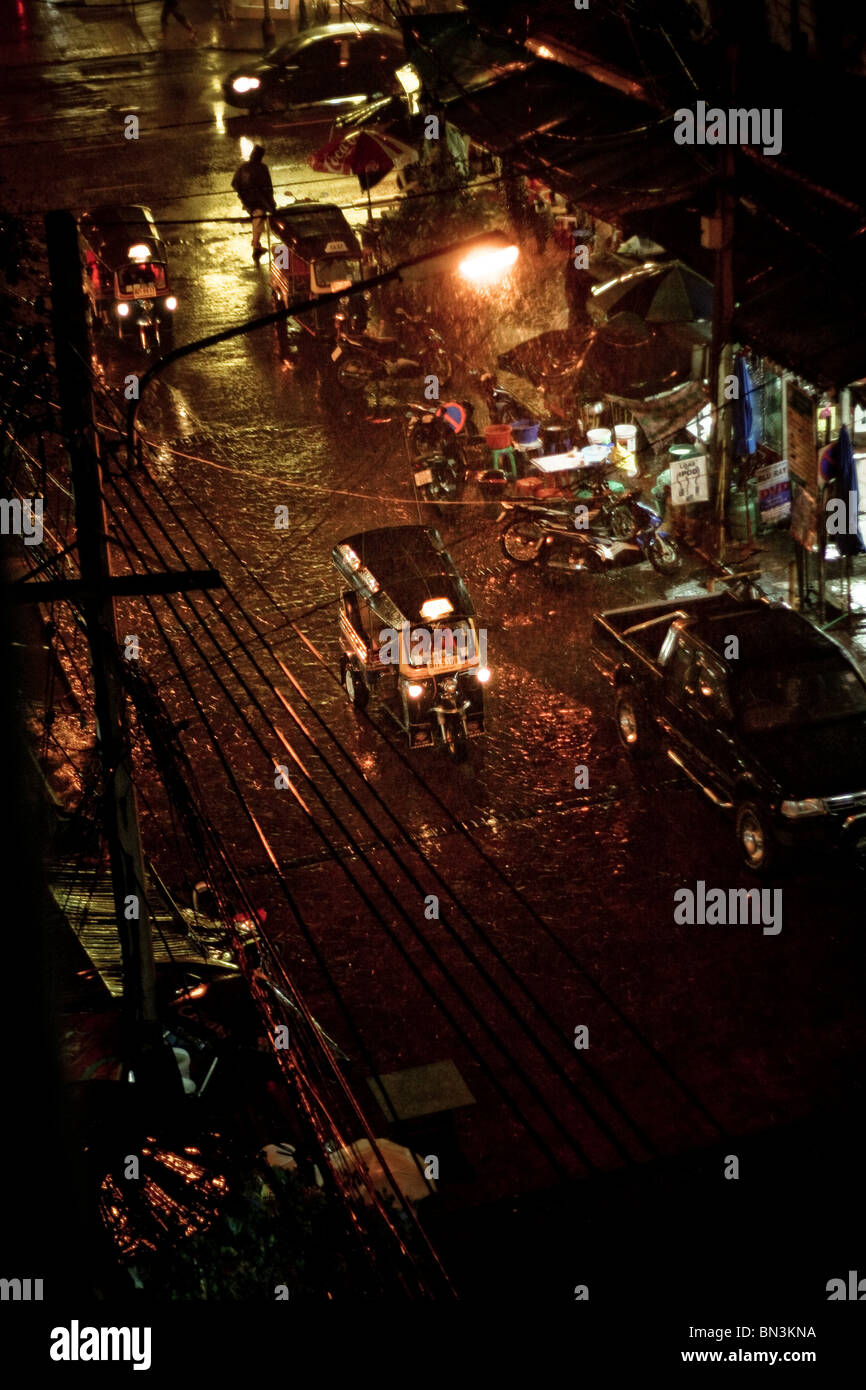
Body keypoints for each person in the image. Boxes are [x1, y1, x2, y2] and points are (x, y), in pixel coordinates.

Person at [231, 146, 276, 261]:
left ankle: (256, 244)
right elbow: (267, 186)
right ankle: (256, 245)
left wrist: (243, 195)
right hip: (259, 200)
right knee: (258, 220)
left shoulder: (243, 167)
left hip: (247, 199)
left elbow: (234, 183)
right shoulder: (262, 168)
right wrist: (270, 201)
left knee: (257, 220)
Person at [564, 229, 595, 335]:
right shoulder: (580, 260)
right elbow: (582, 279)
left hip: (575, 304)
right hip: (579, 305)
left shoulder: (575, 260)